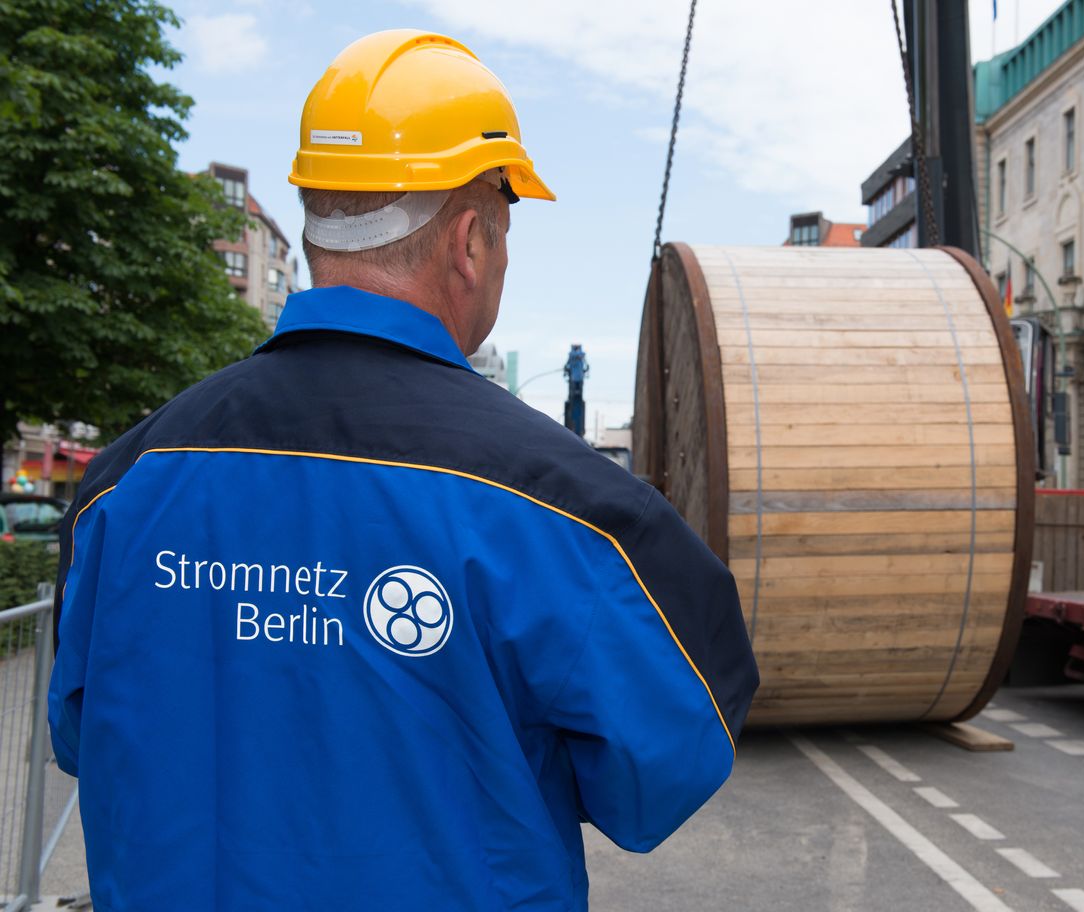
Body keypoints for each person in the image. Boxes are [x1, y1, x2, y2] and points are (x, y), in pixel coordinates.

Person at [49, 29, 758, 911]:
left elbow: (83, 733)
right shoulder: (564, 508)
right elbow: (669, 761)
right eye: (504, 236)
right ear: (470, 242)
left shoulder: (124, 484)